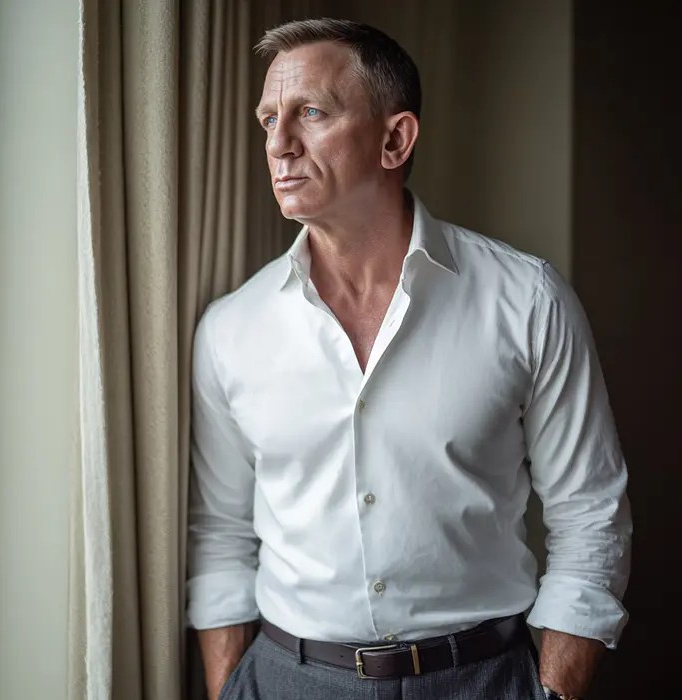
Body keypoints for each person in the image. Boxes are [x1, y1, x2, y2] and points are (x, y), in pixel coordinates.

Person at [187, 17, 631, 700]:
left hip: (482, 678)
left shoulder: (527, 300)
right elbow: (220, 535)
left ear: (394, 139)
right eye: (268, 119)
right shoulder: (231, 328)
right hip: (283, 678)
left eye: (311, 113)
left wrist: (552, 693)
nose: (278, 144)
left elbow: (590, 514)